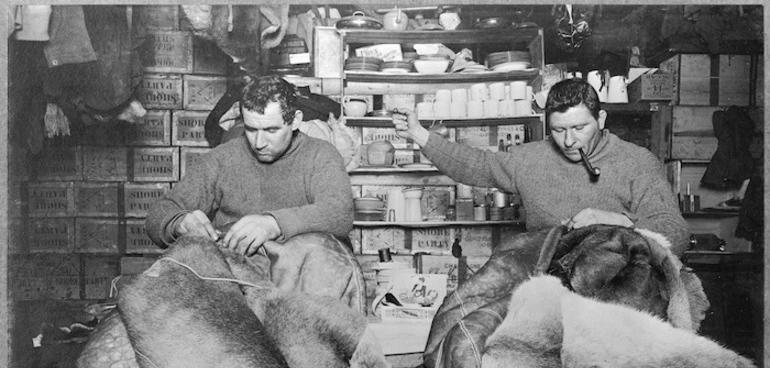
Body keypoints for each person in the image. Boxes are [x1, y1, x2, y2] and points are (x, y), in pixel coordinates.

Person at [392, 78, 689, 255]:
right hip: (549, 283)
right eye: (558, 130)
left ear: (601, 120)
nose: (569, 141)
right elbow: (475, 165)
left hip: (617, 286)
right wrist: (419, 134)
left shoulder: (637, 162)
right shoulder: (530, 159)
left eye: (579, 128)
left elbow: (675, 234)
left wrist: (620, 222)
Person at [146, 75, 354, 256]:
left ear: (295, 121)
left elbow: (339, 214)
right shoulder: (221, 159)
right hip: (240, 274)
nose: (259, 143)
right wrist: (179, 222)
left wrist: (273, 223)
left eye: (271, 130)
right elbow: (159, 213)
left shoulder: (321, 155)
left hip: (301, 275)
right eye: (251, 129)